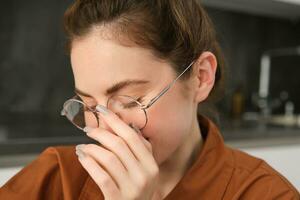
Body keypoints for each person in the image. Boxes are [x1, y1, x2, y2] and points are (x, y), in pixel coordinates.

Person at [1, 0, 299, 199]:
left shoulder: (265, 193)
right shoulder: (55, 179)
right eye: (89, 106)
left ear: (201, 77)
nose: (106, 130)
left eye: (130, 100)